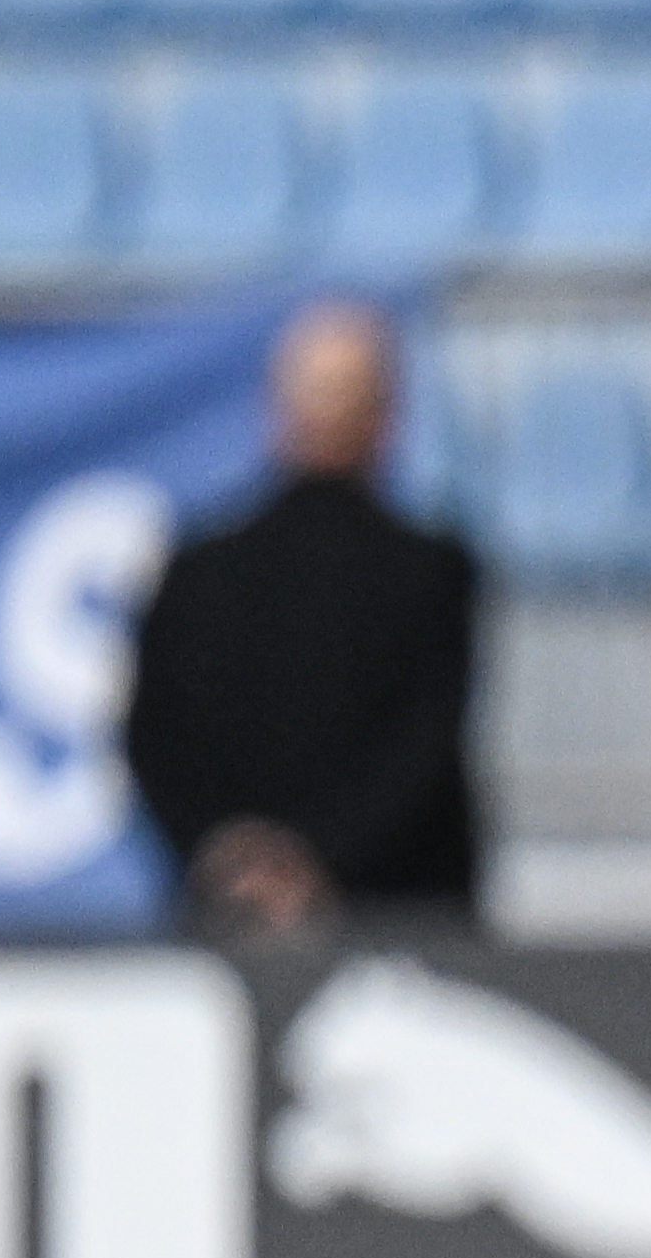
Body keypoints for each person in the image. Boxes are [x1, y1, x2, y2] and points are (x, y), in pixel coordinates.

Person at [121, 297, 484, 939]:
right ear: (388, 417)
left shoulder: (198, 572)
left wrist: (232, 855)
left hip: (229, 923)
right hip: (397, 930)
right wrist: (314, 862)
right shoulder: (430, 573)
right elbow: (421, 747)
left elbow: (152, 742)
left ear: (277, 414)